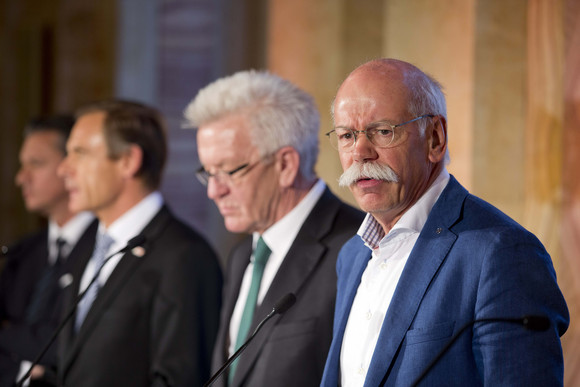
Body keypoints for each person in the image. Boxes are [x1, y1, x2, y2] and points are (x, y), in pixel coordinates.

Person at [320, 58, 570, 386]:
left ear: (435, 139)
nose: (360, 152)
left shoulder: (501, 253)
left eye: (382, 131)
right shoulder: (351, 255)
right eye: (347, 135)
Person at [185, 70, 364, 387]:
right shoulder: (243, 254)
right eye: (208, 173)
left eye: (227, 171)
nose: (214, 191)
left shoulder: (356, 248)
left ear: (285, 165)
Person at [56, 99, 223, 386]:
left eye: (79, 153)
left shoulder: (184, 256)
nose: (64, 169)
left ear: (128, 161)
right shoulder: (86, 248)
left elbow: (180, 379)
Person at [0, 116, 97, 387]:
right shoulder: (25, 251)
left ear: (72, 167)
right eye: (22, 165)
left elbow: (71, 345)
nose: (21, 178)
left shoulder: (106, 249)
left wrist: (10, 334)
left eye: (36, 164)